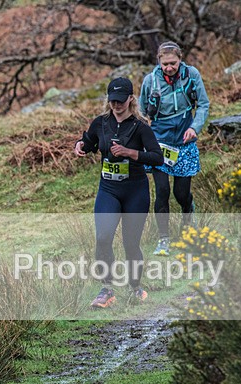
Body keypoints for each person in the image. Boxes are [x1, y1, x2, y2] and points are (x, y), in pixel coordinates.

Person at [74, 77, 164, 309]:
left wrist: (130, 152)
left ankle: (135, 287)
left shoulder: (141, 127)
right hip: (109, 189)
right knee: (102, 238)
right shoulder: (101, 123)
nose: (116, 105)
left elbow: (157, 157)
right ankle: (107, 289)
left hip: (135, 190)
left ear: (130, 99)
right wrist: (80, 146)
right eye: (112, 100)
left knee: (130, 243)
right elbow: (89, 141)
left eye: (121, 101)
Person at [139, 41, 210, 256]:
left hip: (184, 139)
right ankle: (164, 240)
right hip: (160, 141)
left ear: (180, 59)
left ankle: (189, 223)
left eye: (173, 63)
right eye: (165, 64)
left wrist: (194, 127)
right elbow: (141, 112)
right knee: (162, 191)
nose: (169, 67)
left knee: (181, 193)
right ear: (158, 61)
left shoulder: (191, 75)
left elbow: (204, 104)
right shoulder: (150, 81)